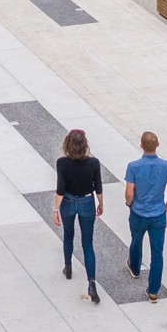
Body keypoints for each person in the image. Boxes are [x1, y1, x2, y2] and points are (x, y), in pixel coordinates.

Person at [123, 131, 167, 302]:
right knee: (157, 253)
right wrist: (166, 206)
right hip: (158, 214)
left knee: (136, 240)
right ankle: (153, 290)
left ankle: (135, 267)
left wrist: (130, 203)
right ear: (158, 145)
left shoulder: (133, 166)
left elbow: (129, 192)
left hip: (139, 212)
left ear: (141, 145)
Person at [53, 129, 104, 305]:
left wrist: (55, 209)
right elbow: (98, 187)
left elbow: (60, 188)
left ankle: (68, 267)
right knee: (88, 243)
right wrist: (101, 204)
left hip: (67, 201)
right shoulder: (94, 163)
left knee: (68, 234)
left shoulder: (62, 163)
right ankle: (91, 282)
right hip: (86, 202)